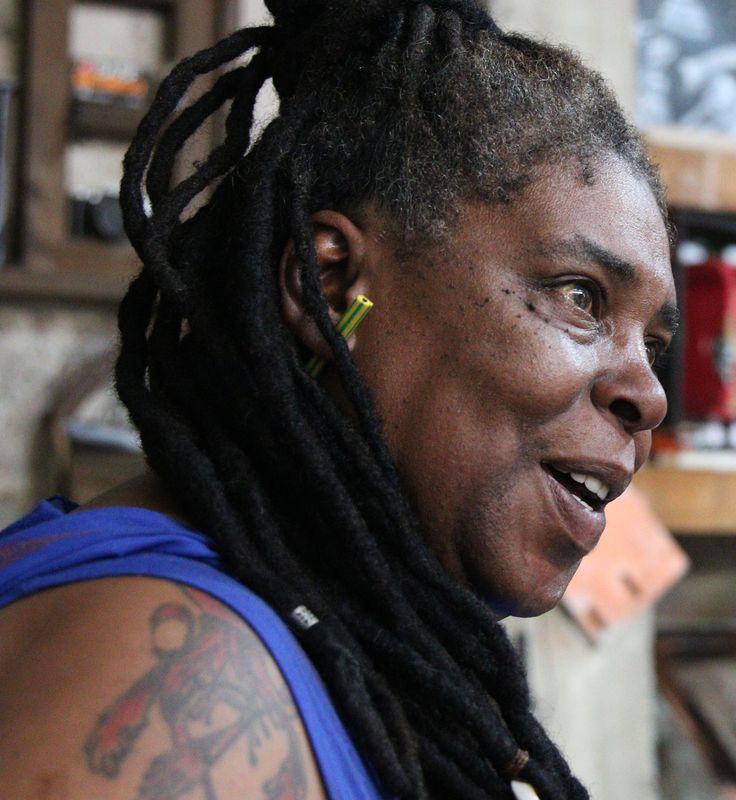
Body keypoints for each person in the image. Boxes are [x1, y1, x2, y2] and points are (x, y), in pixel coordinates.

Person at [0, 1, 677, 798]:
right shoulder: (187, 691)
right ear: (329, 286)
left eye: (654, 345)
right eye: (580, 297)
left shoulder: (331, 639)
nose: (649, 395)